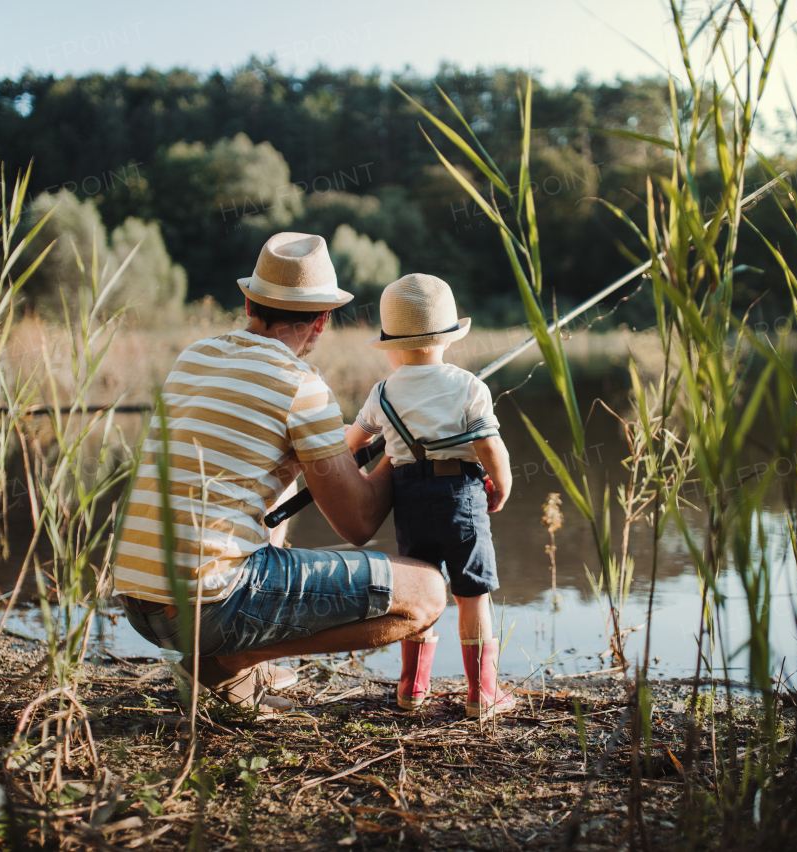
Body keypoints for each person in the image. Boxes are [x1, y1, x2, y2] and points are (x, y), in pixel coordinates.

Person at [110, 233, 446, 713]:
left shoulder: (194, 357)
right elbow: (358, 523)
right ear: (323, 320)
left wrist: (318, 449)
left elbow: (238, 460)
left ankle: (231, 659)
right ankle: (227, 663)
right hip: (209, 606)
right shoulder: (300, 385)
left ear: (249, 302)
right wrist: (400, 440)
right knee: (427, 593)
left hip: (139, 600)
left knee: (273, 485)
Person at [346, 274, 517, 718]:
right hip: (461, 495)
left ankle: (411, 688)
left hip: (410, 499)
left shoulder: (382, 393)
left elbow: (353, 445)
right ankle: (482, 695)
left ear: (392, 346)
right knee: (472, 594)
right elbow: (489, 447)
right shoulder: (468, 386)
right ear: (448, 337)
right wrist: (503, 484)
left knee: (421, 590)